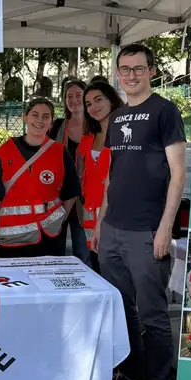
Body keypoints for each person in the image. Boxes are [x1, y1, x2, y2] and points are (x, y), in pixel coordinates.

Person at [92, 43, 187, 380]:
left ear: (151, 71)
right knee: (121, 310)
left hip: (148, 232)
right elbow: (112, 176)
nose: (131, 75)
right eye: (125, 69)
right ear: (118, 73)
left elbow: (178, 175)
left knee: (152, 313)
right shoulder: (116, 119)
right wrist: (101, 222)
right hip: (113, 229)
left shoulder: (165, 111)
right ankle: (132, 371)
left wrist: (165, 228)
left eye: (138, 68)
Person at [0, 97, 79, 258]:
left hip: (47, 235)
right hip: (11, 236)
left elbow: (71, 191)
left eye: (46, 116)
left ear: (51, 121)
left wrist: (60, 220)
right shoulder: (7, 150)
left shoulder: (59, 152)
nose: (40, 120)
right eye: (35, 115)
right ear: (25, 117)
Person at [78, 80, 123, 272]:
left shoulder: (126, 136)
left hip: (117, 217)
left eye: (98, 100)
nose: (93, 107)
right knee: (97, 272)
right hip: (90, 221)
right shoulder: (87, 140)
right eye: (88, 104)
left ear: (111, 100)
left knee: (118, 278)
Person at [50, 78, 90, 264]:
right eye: (69, 96)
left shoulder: (95, 126)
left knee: (83, 250)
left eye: (78, 95)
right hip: (59, 196)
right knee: (54, 248)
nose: (73, 100)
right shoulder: (58, 126)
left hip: (86, 198)